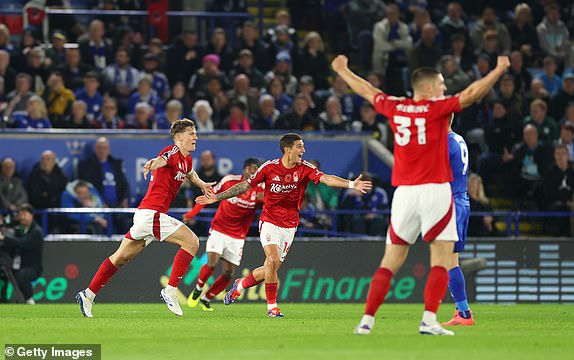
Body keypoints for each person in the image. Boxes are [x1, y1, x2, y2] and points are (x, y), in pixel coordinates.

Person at [331, 54, 510, 335]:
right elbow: (472, 93)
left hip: (404, 194)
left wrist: (342, 70)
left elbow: (368, 90)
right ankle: (429, 320)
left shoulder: (396, 107)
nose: (443, 90)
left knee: (390, 261)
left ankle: (366, 321)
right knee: (441, 259)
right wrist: (498, 70)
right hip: (436, 191)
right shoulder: (436, 109)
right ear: (427, 89)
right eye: (440, 85)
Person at [197, 133, 372, 317]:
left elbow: (327, 179)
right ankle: (272, 308)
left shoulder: (305, 168)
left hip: (290, 226)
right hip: (269, 222)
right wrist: (217, 197)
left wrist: (352, 184)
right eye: (299, 146)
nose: (303, 150)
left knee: (270, 269)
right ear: (288, 149)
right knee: (272, 261)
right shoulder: (269, 168)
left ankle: (240, 285)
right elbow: (244, 186)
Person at [76, 119, 215, 318]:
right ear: (179, 138)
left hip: (145, 216)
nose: (196, 137)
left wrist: (201, 184)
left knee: (120, 258)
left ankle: (87, 295)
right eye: (191, 134)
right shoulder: (173, 152)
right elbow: (163, 159)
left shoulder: (186, 159)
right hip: (152, 215)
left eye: (195, 133)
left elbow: (190, 173)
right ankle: (170, 290)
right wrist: (153, 163)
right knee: (191, 242)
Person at [185, 158, 264, 311]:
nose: (254, 172)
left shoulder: (261, 189)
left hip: (238, 236)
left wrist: (265, 200)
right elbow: (209, 197)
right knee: (212, 263)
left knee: (228, 273)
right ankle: (198, 288)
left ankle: (207, 299)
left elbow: (272, 207)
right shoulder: (229, 181)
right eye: (252, 169)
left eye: (257, 170)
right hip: (219, 229)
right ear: (245, 169)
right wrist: (191, 213)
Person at [442, 118, 474, 326]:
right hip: (461, 200)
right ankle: (460, 312)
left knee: (448, 261)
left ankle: (464, 313)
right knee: (452, 259)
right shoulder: (459, 139)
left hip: (451, 203)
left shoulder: (443, 143)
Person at [0, 204, 44, 304]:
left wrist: (4, 238)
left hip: (32, 267)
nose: (22, 217)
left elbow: (23, 244)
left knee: (21, 275)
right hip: (16, 265)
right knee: (5, 273)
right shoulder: (20, 229)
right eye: (20, 214)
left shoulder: (36, 232)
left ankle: (29, 299)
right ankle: (3, 300)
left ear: (32, 215)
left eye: (24, 214)